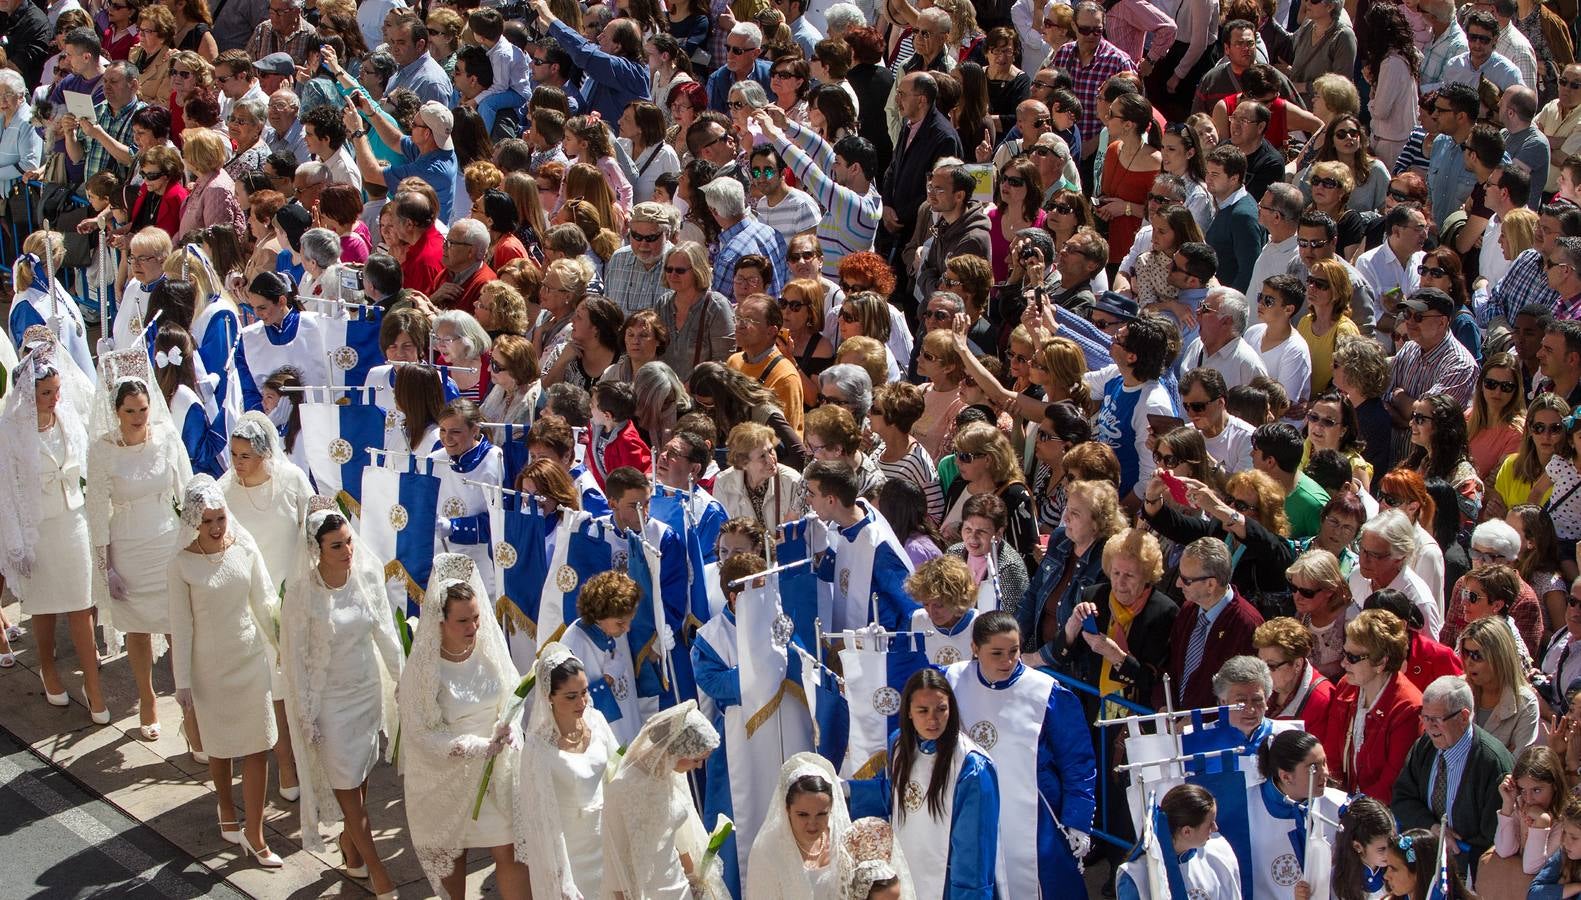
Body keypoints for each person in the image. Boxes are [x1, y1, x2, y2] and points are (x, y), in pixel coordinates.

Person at [278, 510, 403, 897]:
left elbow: (385, 632)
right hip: (329, 704)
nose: (348, 550)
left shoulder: (366, 578)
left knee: (359, 781)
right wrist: (305, 714)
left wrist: (404, 681)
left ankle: (350, 849)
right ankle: (377, 869)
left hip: (365, 694)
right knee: (347, 785)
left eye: (349, 541)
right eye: (337, 545)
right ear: (317, 550)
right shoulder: (301, 594)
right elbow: (295, 661)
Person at [396, 554, 528, 899]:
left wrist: (509, 729)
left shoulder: (489, 650)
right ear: (440, 622)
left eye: (476, 618)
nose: (473, 628)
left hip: (496, 773)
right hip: (447, 778)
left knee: (511, 851)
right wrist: (474, 747)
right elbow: (421, 733)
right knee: (454, 858)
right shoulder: (424, 669)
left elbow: (511, 694)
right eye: (462, 621)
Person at [168, 475, 282, 868]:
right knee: (219, 746)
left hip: (249, 660)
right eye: (208, 522)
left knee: (257, 745)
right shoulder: (180, 563)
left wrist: (280, 646)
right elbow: (181, 626)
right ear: (193, 523)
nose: (217, 528)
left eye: (220, 519)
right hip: (209, 667)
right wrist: (182, 681)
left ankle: (255, 833)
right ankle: (225, 808)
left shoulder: (244, 546)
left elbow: (264, 602)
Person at [941, 611, 1094, 897]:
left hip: (1036, 813)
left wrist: (1078, 818)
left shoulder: (1046, 692)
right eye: (996, 653)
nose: (1007, 661)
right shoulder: (950, 680)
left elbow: (1078, 761)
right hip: (969, 810)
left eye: (1014, 651)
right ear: (975, 648)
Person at [85, 364, 191, 741]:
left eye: (143, 409)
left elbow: (187, 489)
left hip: (166, 541)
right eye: (129, 410)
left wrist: (194, 541)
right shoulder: (102, 450)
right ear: (116, 411)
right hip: (128, 545)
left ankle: (188, 703)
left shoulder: (166, 437)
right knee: (138, 627)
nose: (137, 417)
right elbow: (96, 508)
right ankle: (146, 698)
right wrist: (105, 565)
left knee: (178, 624)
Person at [0, 344, 104, 718]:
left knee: (80, 605)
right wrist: (14, 542)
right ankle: (47, 669)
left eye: (57, 390)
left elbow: (86, 465)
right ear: (28, 393)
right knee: (43, 608)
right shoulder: (9, 431)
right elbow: (6, 492)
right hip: (38, 529)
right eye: (46, 393)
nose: (54, 398)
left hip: (73, 522)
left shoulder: (66, 415)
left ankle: (93, 686)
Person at [848, 667, 1000, 899]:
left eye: (941, 709)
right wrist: (847, 789)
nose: (933, 719)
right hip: (907, 867)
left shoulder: (971, 767)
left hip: (950, 883)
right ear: (908, 711)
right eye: (923, 710)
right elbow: (899, 796)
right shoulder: (900, 745)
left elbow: (973, 850)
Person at [511, 642, 620, 899]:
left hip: (607, 840)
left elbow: (619, 772)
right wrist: (561, 878)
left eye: (584, 692)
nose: (582, 702)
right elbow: (537, 818)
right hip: (569, 853)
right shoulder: (538, 748)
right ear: (549, 696)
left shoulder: (598, 722)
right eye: (571, 696)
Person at [602, 700, 730, 899]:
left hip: (680, 885)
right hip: (647, 892)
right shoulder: (623, 787)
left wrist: (694, 881)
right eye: (696, 759)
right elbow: (614, 860)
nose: (698, 767)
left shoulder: (670, 774)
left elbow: (680, 836)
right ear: (675, 750)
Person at [1391, 674, 1516, 871]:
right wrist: (1434, 829)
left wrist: (1457, 849)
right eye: (1425, 717)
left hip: (1469, 872)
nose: (1429, 727)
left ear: (1463, 717)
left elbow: (1495, 835)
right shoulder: (1425, 746)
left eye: (1436, 720)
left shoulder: (1492, 763)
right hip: (1426, 860)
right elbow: (1402, 798)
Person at [747, 751, 853, 900]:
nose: (812, 824)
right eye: (803, 815)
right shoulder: (767, 850)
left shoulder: (842, 841)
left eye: (821, 814)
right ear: (787, 809)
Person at [1116, 783, 1241, 900]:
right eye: (1210, 824)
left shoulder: (1218, 852)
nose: (1215, 828)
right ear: (1187, 831)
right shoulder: (1136, 877)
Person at [1458, 613, 1540, 754]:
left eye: (1477, 655)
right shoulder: (1456, 691)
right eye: (1465, 653)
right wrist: (1499, 755)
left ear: (1499, 657)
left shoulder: (1525, 704)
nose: (1468, 662)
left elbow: (1516, 767)